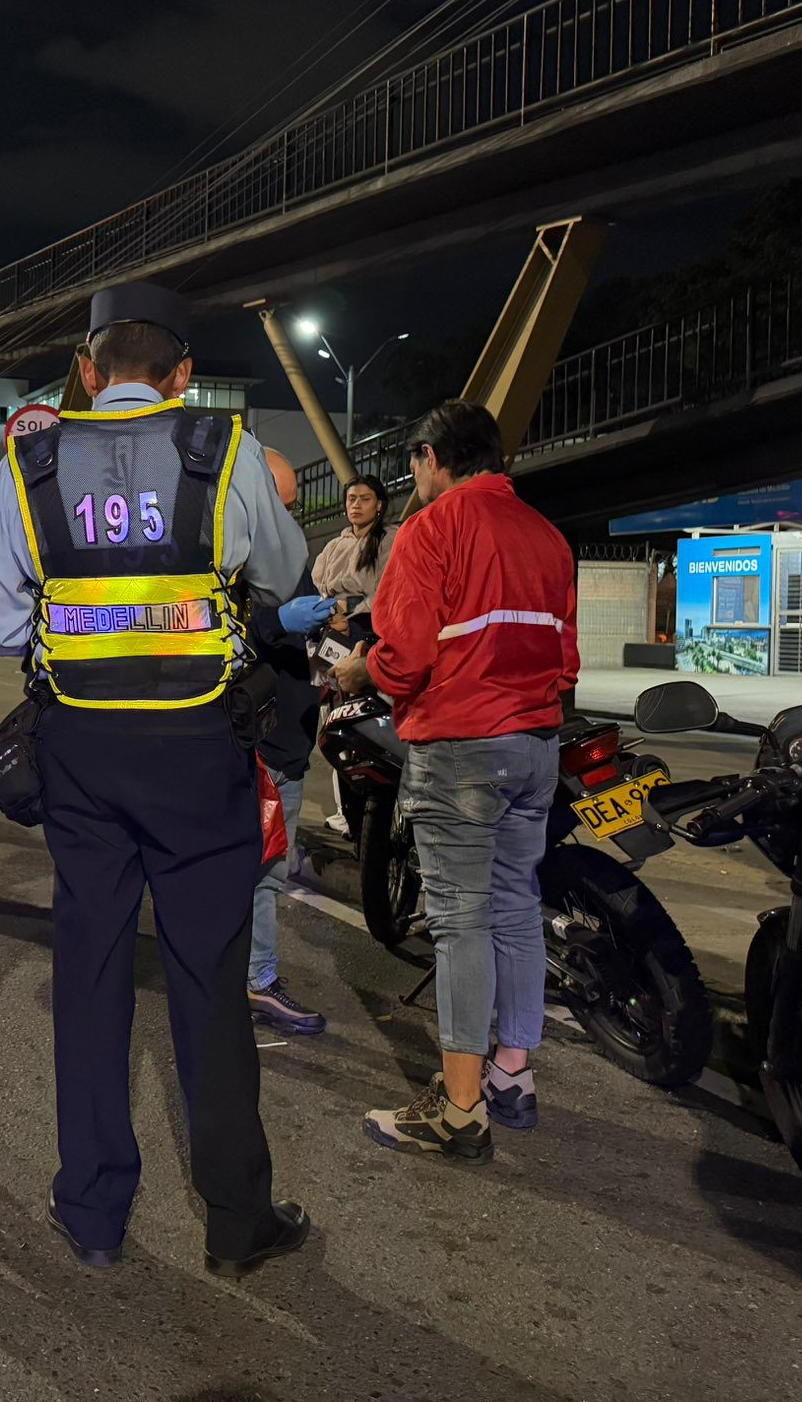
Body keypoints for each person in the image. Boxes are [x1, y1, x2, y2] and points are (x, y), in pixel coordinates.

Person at [0, 280, 312, 1277]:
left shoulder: (28, 462)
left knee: (90, 969)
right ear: (181, 376)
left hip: (79, 753)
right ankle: (237, 1222)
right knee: (209, 980)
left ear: (85, 369)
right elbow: (285, 587)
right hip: (200, 750)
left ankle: (91, 1209)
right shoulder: (229, 453)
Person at [331, 400, 578, 1161]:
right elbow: (566, 659)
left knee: (461, 921)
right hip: (535, 745)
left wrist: (355, 667)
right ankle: (511, 1073)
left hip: (462, 746)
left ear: (432, 458)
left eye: (414, 463)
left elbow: (403, 656)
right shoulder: (548, 535)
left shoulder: (431, 529)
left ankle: (460, 1108)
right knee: (513, 905)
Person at [242, 449, 332, 1038]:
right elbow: (210, 622)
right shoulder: (234, 551)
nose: (288, 518)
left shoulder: (282, 549)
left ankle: (244, 973)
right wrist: (279, 625)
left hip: (284, 732)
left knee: (256, 867)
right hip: (265, 741)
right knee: (264, 869)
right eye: (280, 504)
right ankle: (257, 978)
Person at [310, 473, 392, 645]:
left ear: (379, 505)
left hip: (368, 627)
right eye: (352, 499)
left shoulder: (389, 539)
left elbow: (388, 591)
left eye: (365, 499)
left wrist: (347, 607)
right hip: (329, 623)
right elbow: (315, 585)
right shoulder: (333, 546)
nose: (356, 505)